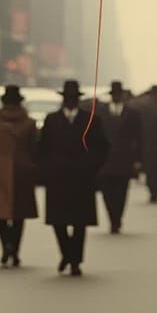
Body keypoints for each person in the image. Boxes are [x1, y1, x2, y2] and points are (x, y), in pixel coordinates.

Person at [38, 79, 108, 276]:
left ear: (77, 100)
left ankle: (75, 260)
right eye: (67, 99)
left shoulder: (91, 119)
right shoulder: (51, 120)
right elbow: (42, 148)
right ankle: (66, 254)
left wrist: (92, 167)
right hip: (57, 179)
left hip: (82, 179)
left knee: (79, 223)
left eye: (72, 99)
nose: (69, 102)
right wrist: (46, 170)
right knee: (58, 222)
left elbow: (102, 147)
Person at [0, 85, 38, 266]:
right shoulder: (29, 123)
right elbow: (35, 149)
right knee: (19, 214)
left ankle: (5, 247)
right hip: (22, 170)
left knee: (1, 213)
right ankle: (15, 249)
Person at [97, 80, 143, 233]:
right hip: (104, 160)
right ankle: (112, 218)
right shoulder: (100, 112)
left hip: (124, 159)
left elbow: (139, 138)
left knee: (122, 192)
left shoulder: (132, 114)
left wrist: (137, 160)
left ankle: (117, 219)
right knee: (106, 193)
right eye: (114, 95)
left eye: (118, 95)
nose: (117, 97)